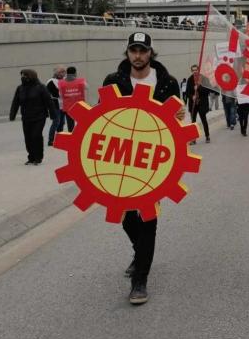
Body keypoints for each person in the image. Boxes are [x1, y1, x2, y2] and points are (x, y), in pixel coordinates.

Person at [103, 32, 183, 305]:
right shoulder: (113, 81)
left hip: (154, 160)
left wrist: (180, 117)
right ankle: (140, 253)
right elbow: (102, 120)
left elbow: (177, 123)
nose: (138, 55)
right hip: (121, 159)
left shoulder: (167, 83)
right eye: (133, 50)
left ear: (151, 53)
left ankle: (140, 281)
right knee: (127, 217)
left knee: (148, 217)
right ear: (127, 53)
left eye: (143, 50)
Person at [9, 69, 55, 165]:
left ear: (31, 76)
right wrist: (12, 114)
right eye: (22, 75)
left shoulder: (41, 87)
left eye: (25, 75)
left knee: (36, 136)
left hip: (39, 116)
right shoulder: (20, 88)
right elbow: (15, 102)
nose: (23, 77)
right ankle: (31, 157)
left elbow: (49, 102)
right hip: (26, 117)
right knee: (28, 138)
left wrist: (53, 114)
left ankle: (38, 157)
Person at [185, 64, 211, 144]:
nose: (194, 72)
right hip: (193, 104)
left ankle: (207, 136)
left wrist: (198, 88)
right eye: (193, 70)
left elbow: (208, 90)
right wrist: (191, 96)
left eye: (196, 70)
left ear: (198, 70)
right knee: (193, 121)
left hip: (202, 103)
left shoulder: (204, 78)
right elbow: (187, 92)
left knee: (203, 120)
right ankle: (193, 139)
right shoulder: (189, 80)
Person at [58, 66, 87, 131]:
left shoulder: (61, 82)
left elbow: (60, 94)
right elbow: (87, 87)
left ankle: (71, 137)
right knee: (81, 122)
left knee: (70, 124)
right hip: (79, 105)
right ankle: (80, 136)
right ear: (75, 73)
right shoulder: (81, 81)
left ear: (67, 73)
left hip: (68, 107)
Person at [45, 66, 65, 146]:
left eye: (63, 72)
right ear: (56, 73)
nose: (62, 74)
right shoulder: (51, 81)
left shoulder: (65, 80)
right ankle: (51, 140)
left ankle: (60, 140)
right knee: (56, 122)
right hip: (54, 104)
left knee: (62, 122)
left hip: (63, 105)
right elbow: (55, 94)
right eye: (60, 72)